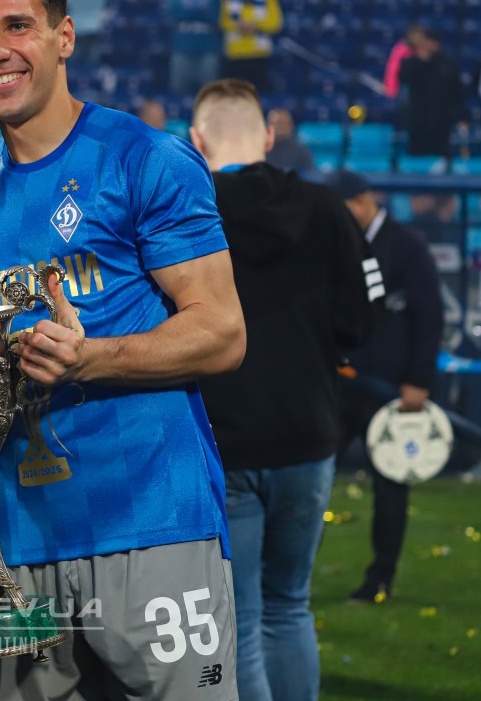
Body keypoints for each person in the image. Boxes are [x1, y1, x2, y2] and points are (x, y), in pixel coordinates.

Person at [0, 0, 246, 700]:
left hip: (153, 519)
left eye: (18, 26)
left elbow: (221, 331)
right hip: (20, 537)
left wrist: (90, 357)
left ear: (65, 36)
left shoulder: (147, 158)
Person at [189, 80, 380, 701]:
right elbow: (361, 321)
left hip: (227, 438)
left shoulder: (191, 207)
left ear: (196, 140)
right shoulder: (326, 208)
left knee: (242, 617)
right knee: (289, 606)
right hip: (309, 435)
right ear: (269, 135)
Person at [324, 169, 444, 604]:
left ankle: (380, 579)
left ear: (362, 202)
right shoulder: (334, 242)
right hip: (339, 385)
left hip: (391, 390)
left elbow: (429, 317)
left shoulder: (407, 246)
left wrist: (418, 381)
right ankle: (288, 577)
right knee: (312, 480)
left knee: (391, 486)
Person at [398, 28, 468, 158]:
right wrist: (422, 60)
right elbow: (403, 77)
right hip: (418, 122)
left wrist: (463, 117)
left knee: (441, 159)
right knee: (416, 159)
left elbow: (457, 93)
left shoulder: (447, 65)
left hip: (441, 122)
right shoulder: (413, 63)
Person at [164, 0, 223, 94]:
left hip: (208, 47)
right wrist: (201, 11)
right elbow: (173, 13)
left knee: (209, 95)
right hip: (182, 47)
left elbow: (215, 15)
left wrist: (188, 12)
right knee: (178, 91)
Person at [219, 0, 282, 92]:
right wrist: (239, 25)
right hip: (235, 54)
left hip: (259, 53)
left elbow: (275, 22)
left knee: (257, 93)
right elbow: (223, 21)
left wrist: (256, 26)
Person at [266, 108, 315, 173]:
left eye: (282, 123)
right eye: (275, 123)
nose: (279, 127)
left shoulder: (301, 151)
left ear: (291, 125)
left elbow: (310, 173)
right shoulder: (260, 149)